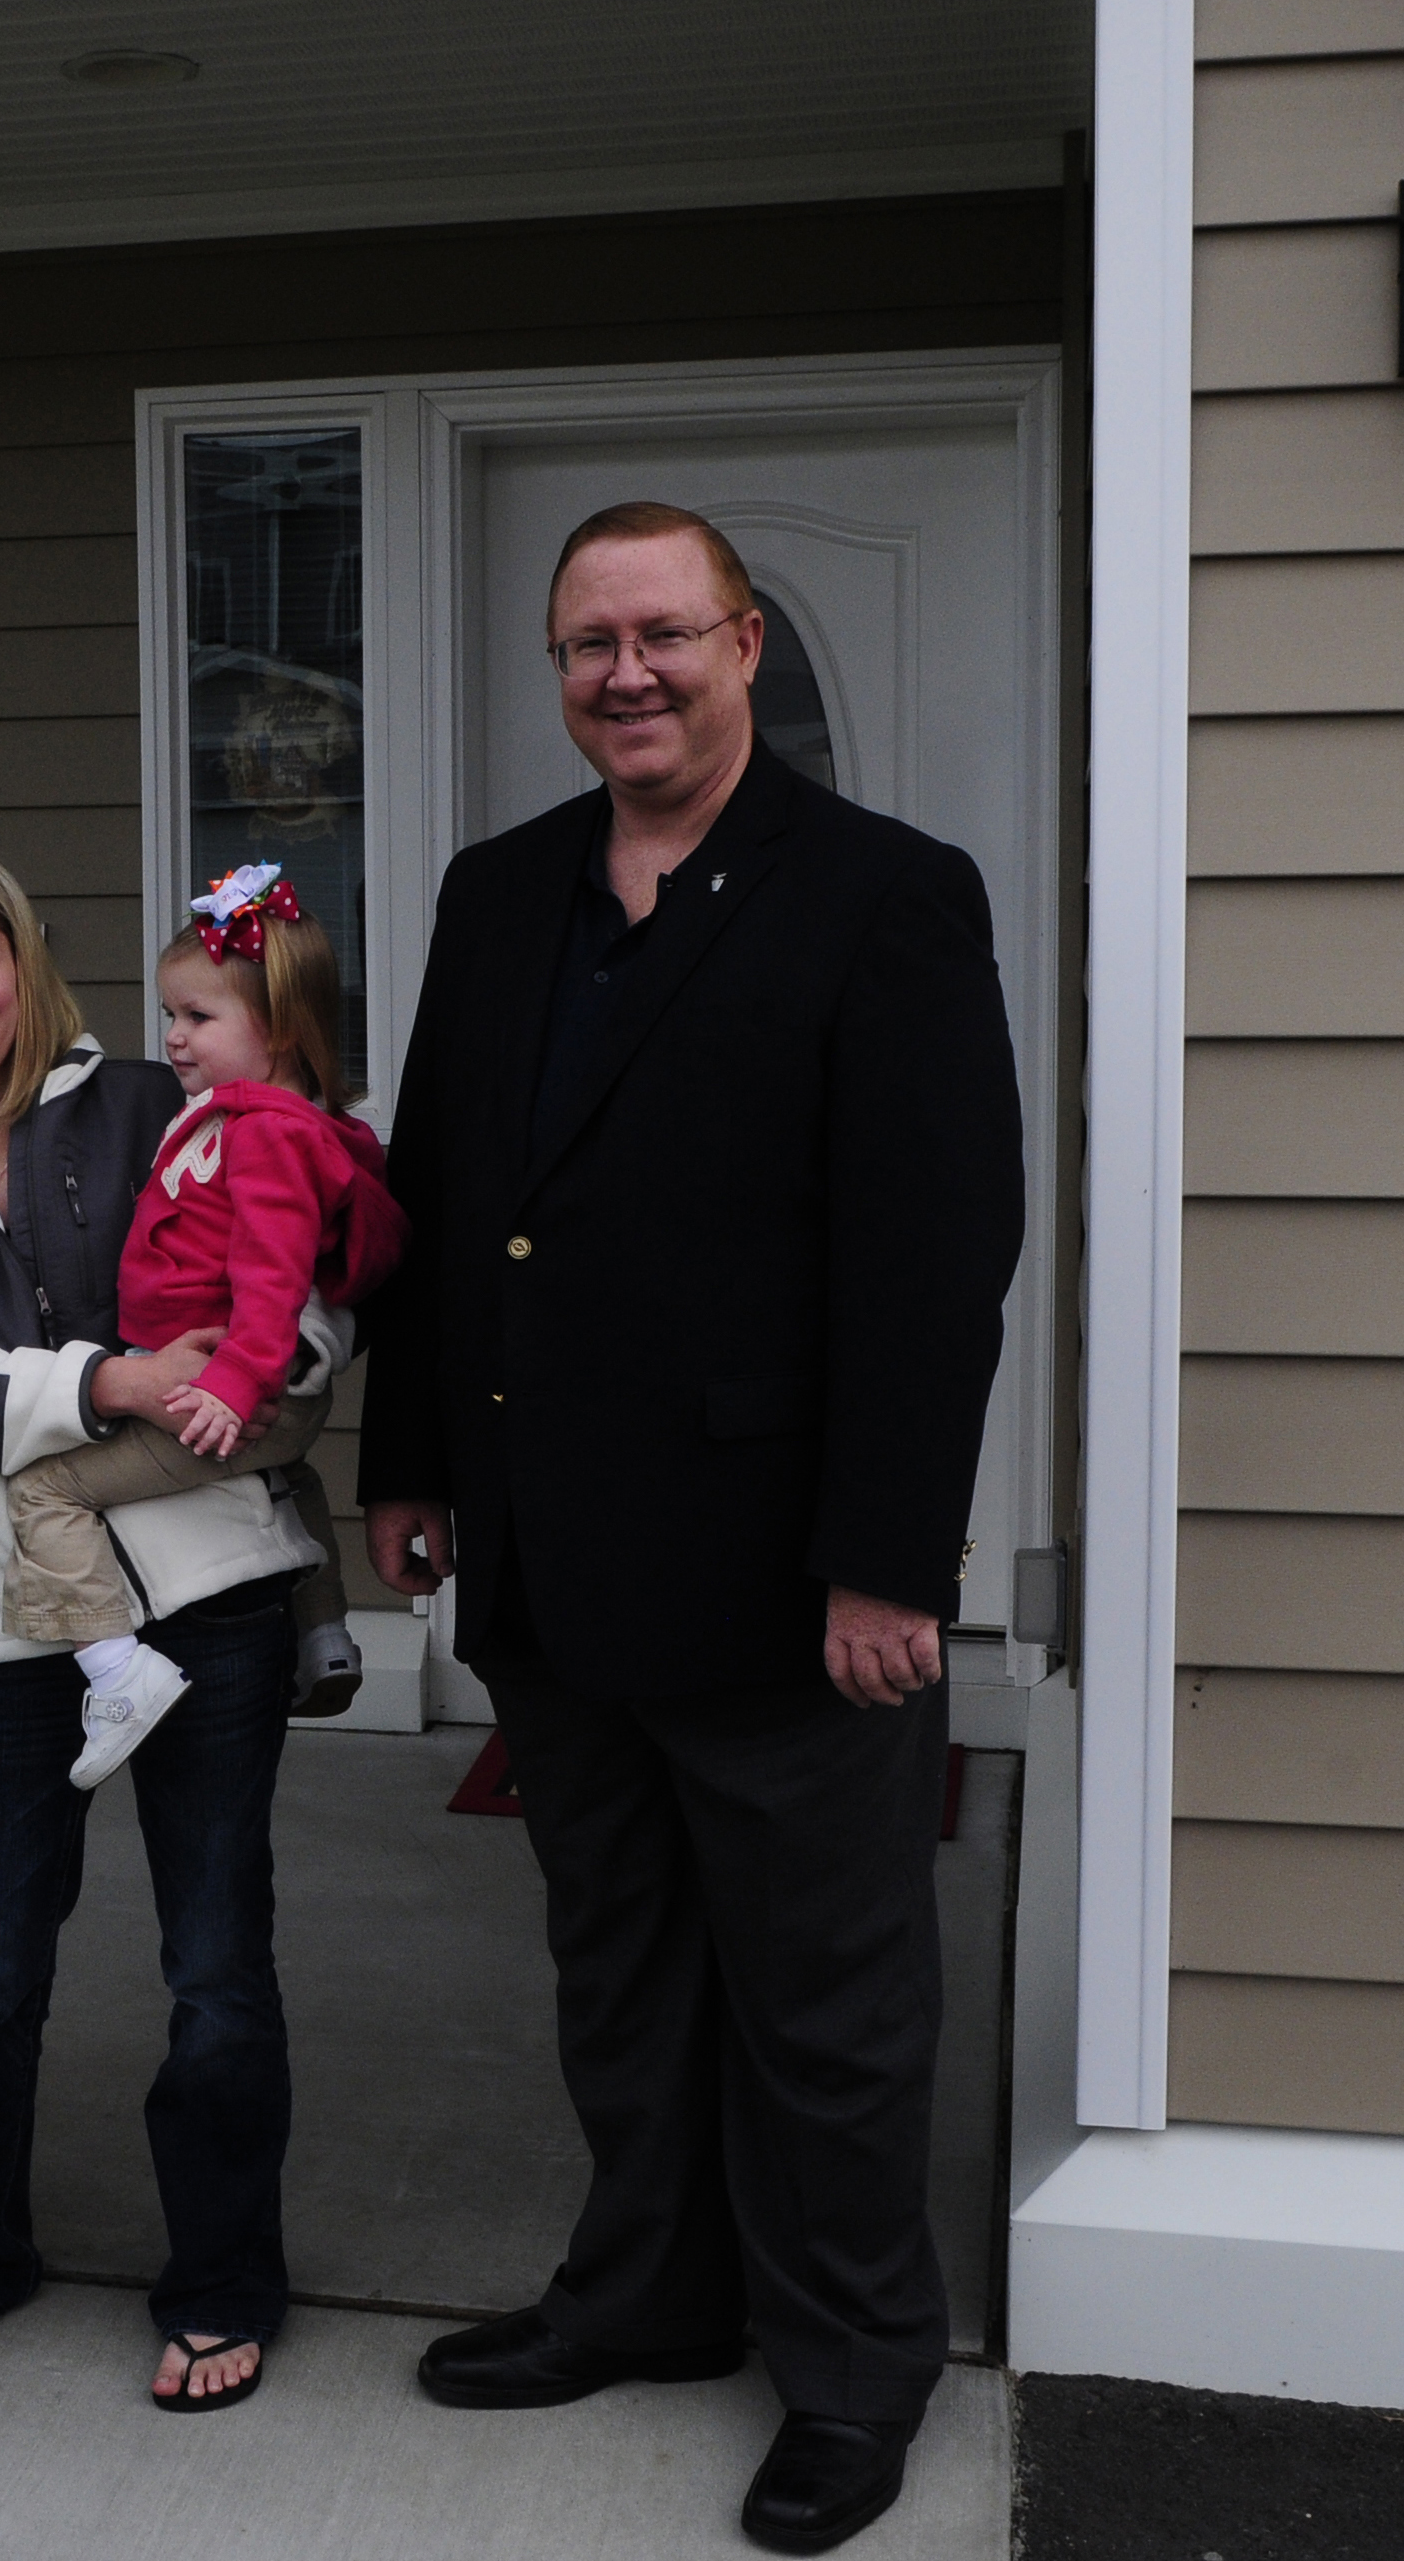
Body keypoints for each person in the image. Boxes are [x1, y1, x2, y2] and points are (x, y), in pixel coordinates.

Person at [358, 503, 1023, 2556]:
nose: (623, 673)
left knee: (827, 2007)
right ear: (556, 671)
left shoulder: (884, 897)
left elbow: (935, 1256)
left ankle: (855, 2366)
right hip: (551, 1562)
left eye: (661, 633)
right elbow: (440, 1190)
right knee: (622, 1970)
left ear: (741, 644)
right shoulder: (498, 893)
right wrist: (408, 1460)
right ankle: (648, 2290)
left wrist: (889, 1559)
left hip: (784, 1575)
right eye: (588, 642)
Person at [0, 847, 347, 2414]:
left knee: (216, 1956)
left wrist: (273, 1360)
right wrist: (113, 1381)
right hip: (6, 1611)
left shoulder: (146, 1101)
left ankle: (222, 2278)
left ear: (24, 960)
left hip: (205, 1585)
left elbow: (299, 1269)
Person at [0, 861, 405, 1789]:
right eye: (169, 1013)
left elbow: (271, 1279)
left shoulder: (266, 1135)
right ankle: (324, 1633)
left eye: (198, 1017)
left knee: (47, 1491)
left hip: (230, 1387)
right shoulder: (245, 1116)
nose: (173, 1036)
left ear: (281, 1029)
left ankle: (116, 1672)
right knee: (286, 1476)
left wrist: (232, 1383)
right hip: (258, 1398)